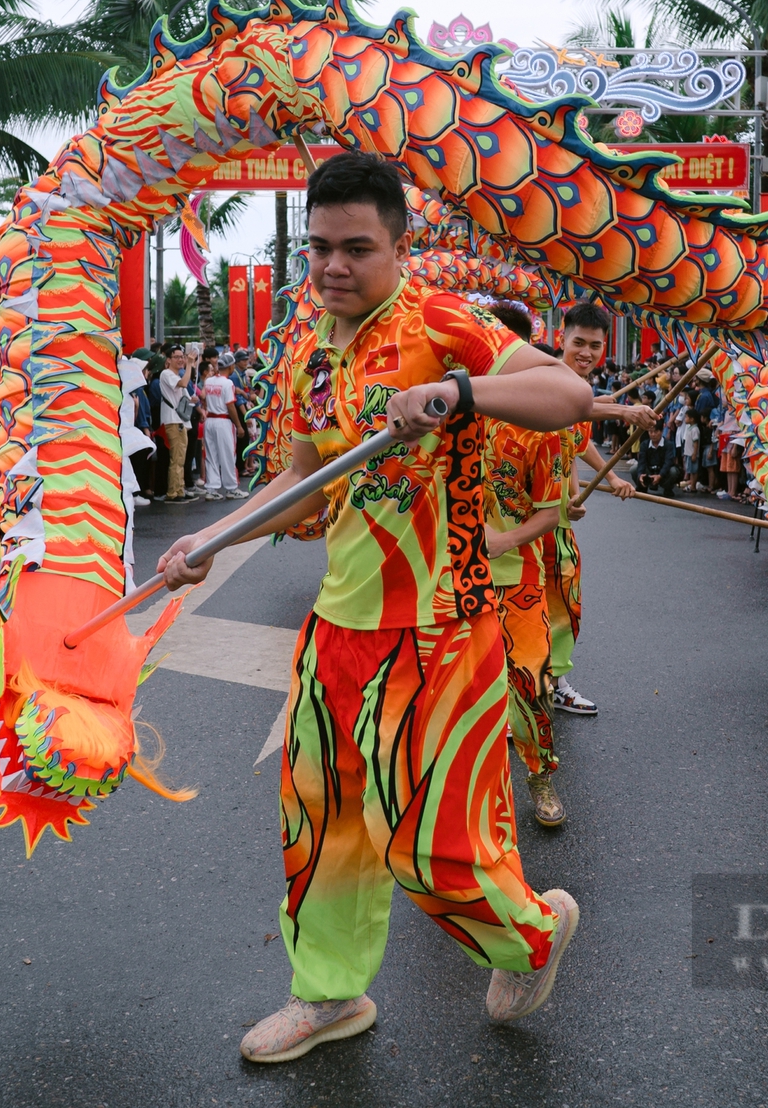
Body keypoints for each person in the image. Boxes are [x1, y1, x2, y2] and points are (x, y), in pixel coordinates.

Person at [155, 151, 590, 1063]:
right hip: (337, 635)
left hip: (442, 632)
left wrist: (458, 391)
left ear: (398, 245)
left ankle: (532, 937)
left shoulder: (439, 319)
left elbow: (566, 393)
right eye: (318, 248)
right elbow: (300, 489)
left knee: (432, 848)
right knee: (323, 831)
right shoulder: (310, 349)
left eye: (356, 247)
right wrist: (207, 544)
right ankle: (328, 996)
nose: (333, 266)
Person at [476, 304, 568, 827]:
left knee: (528, 684)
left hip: (519, 581)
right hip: (450, 580)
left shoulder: (540, 426)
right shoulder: (452, 412)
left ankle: (539, 776)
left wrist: (503, 539)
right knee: (456, 693)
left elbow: (551, 512)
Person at [545, 301, 648, 718]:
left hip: (555, 518)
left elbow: (576, 439)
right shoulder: (545, 377)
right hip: (515, 518)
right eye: (578, 343)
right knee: (516, 606)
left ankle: (553, 683)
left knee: (564, 601)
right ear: (561, 338)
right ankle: (512, 696)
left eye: (595, 345)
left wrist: (610, 479)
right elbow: (571, 409)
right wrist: (624, 409)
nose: (586, 353)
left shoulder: (581, 390)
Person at [196, 351, 242, 499]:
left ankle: (212, 489)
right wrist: (239, 425)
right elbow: (230, 406)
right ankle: (231, 488)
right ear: (230, 366)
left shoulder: (208, 381)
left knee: (211, 455)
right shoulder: (228, 383)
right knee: (228, 454)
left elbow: (203, 398)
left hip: (210, 420)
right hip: (223, 421)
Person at [158, 346, 195, 502]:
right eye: (177, 357)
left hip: (178, 420)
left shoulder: (174, 374)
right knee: (177, 458)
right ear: (168, 360)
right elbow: (184, 383)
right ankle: (173, 492)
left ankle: (179, 489)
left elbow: (187, 395)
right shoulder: (167, 374)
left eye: (182, 356)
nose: (181, 359)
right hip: (173, 421)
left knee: (180, 458)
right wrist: (189, 366)